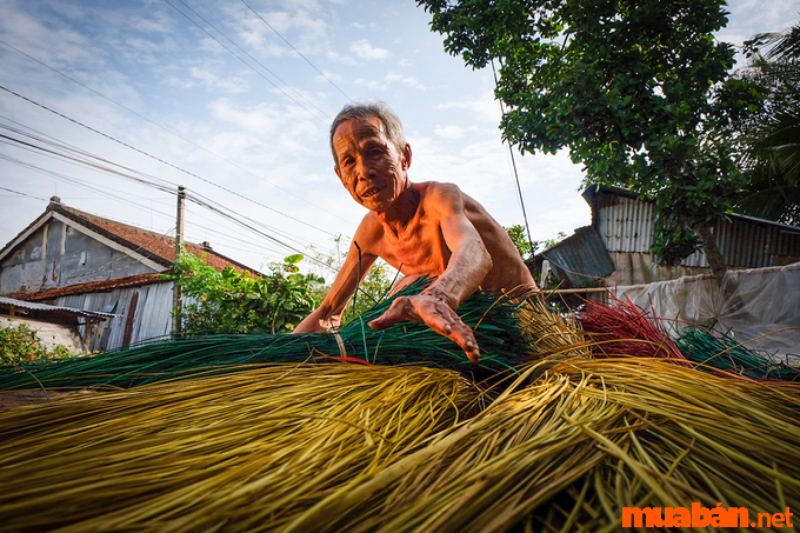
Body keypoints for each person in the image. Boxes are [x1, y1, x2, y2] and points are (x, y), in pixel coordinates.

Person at [293, 103, 537, 362]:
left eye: (375, 152)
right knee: (401, 297)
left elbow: (475, 252)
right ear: (341, 177)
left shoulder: (440, 198)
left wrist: (438, 297)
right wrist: (276, 353)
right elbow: (328, 312)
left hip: (524, 322)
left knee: (410, 291)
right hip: (464, 327)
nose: (364, 172)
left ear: (404, 157)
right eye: (349, 162)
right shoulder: (371, 232)